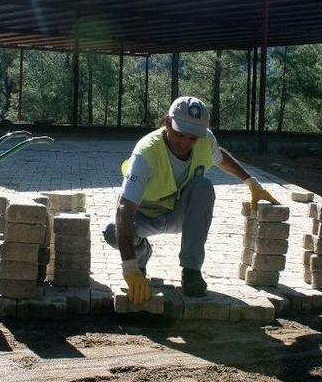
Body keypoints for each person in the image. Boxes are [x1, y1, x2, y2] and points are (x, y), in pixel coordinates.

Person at [103, 96, 280, 304]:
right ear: (167, 122)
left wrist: (251, 182)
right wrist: (129, 267)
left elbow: (220, 157)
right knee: (112, 233)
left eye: (192, 137)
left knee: (203, 187)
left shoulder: (206, 140)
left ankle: (191, 271)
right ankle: (141, 257)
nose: (185, 142)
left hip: (179, 214)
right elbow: (124, 207)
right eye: (180, 134)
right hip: (145, 216)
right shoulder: (146, 153)